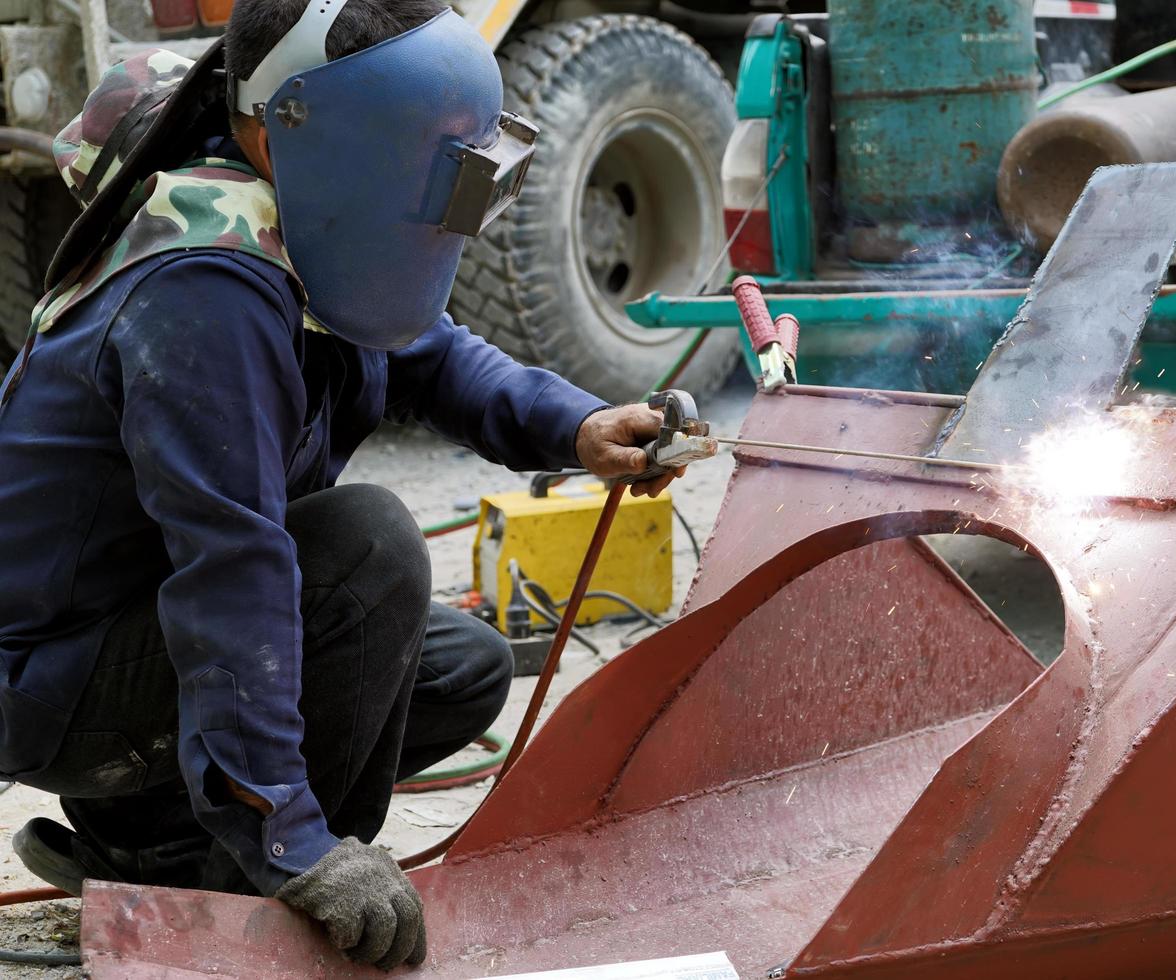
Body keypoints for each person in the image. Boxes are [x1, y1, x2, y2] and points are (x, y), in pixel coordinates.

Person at [0, 0, 683, 969]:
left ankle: (150, 841)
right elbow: (231, 575)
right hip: (48, 675)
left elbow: (433, 357)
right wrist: (296, 842)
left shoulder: (316, 216)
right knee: (370, 550)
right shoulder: (206, 289)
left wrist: (576, 426)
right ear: (304, 132)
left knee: (461, 667)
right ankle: (261, 899)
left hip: (132, 624)